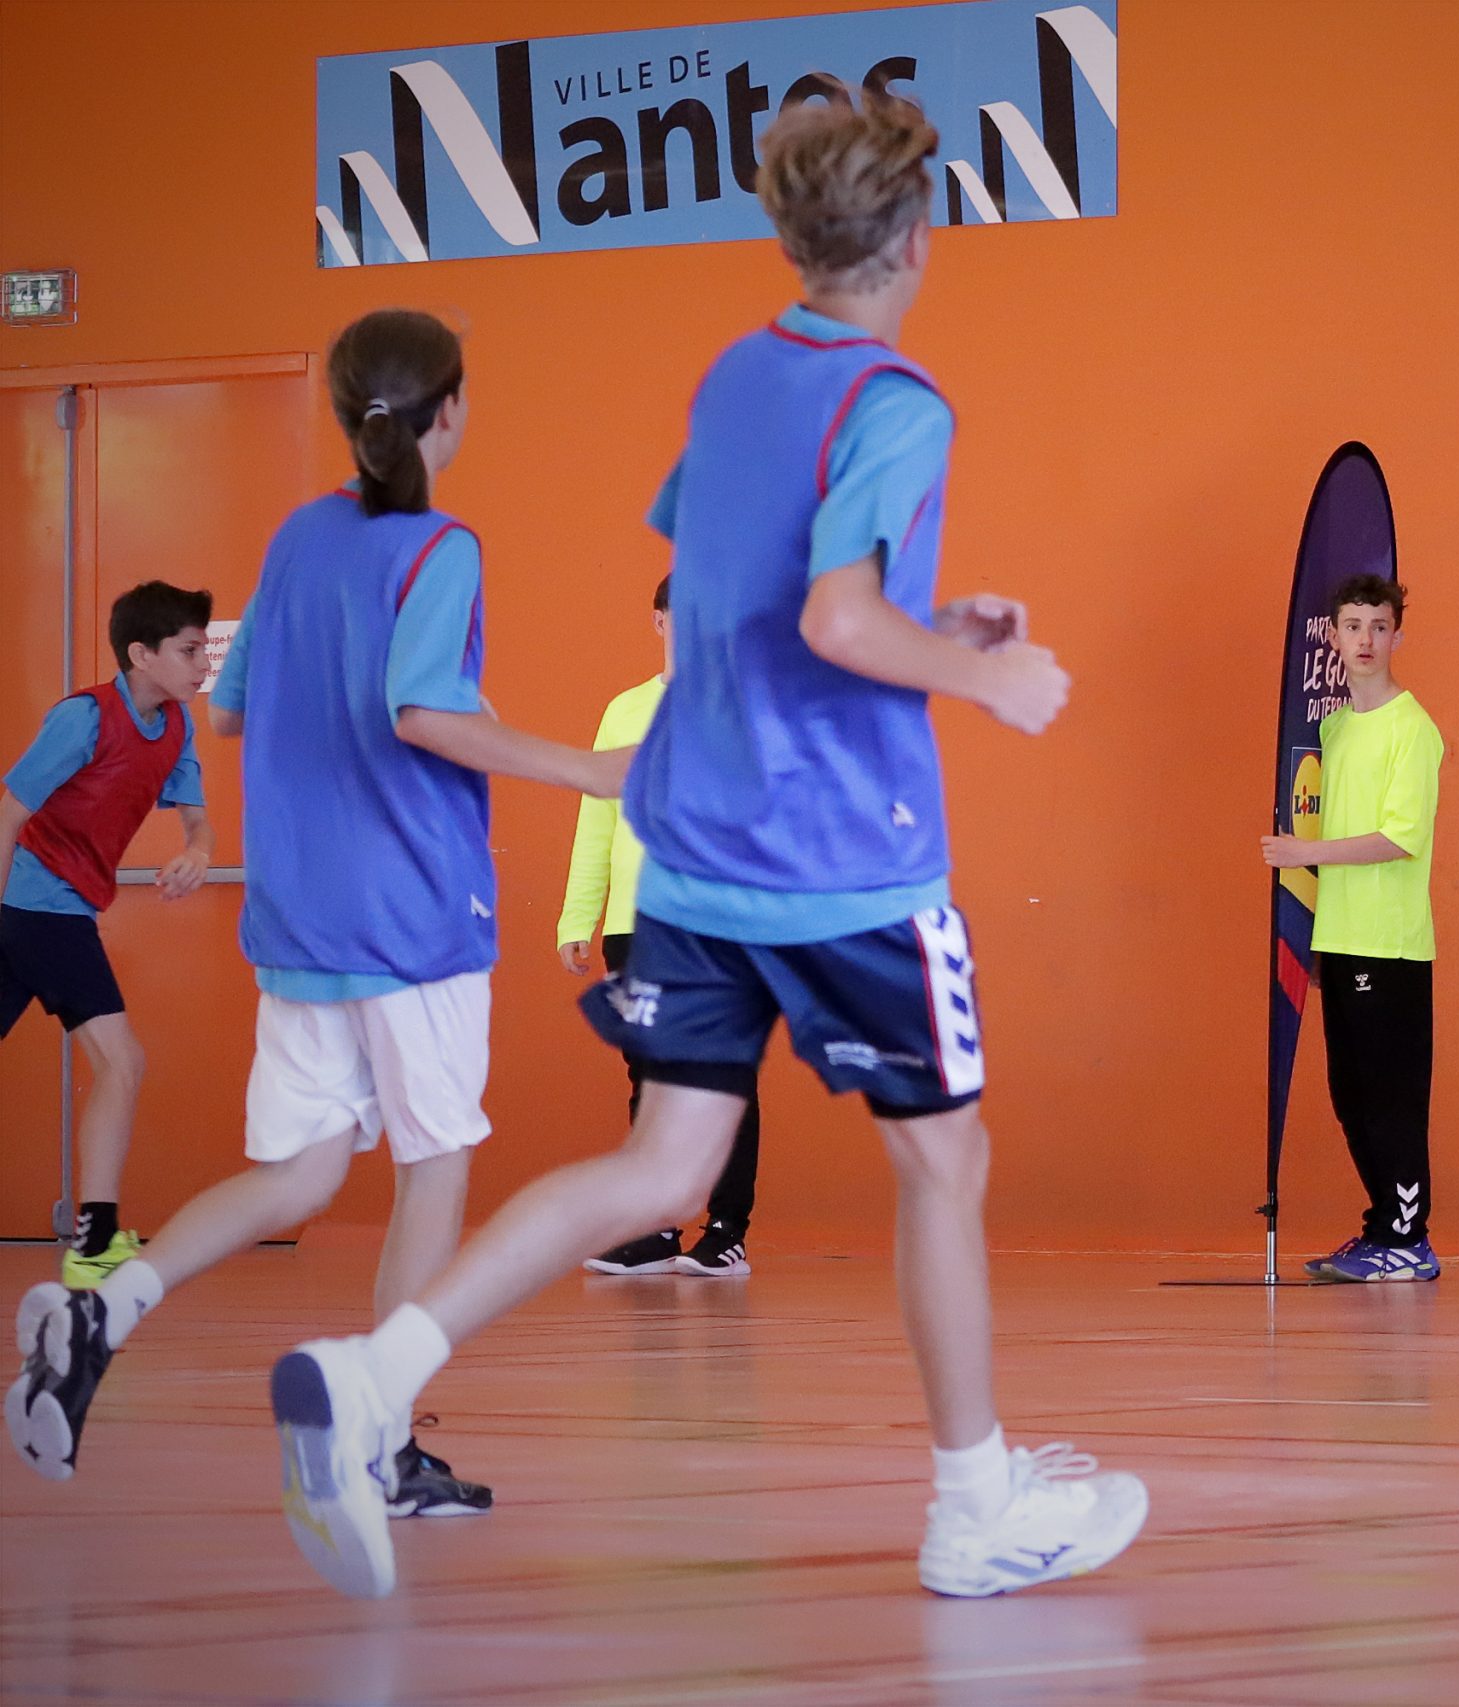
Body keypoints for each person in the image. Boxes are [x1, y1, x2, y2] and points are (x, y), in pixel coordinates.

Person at [259, 86, 1146, 1603]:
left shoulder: (740, 374)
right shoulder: (899, 402)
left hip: (690, 841)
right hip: (843, 860)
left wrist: (934, 620)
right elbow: (834, 620)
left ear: (792, 233)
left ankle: (374, 1373)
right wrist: (976, 671)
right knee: (945, 1160)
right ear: (916, 238)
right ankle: (974, 1502)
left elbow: (746, 592)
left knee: (663, 1158)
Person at [7, 309, 629, 1522]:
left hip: (300, 915)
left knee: (298, 1174)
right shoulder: (441, 546)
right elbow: (420, 713)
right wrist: (588, 769)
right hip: (413, 912)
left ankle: (103, 1310)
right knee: (432, 1169)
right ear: (451, 410)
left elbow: (228, 708)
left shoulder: (298, 536)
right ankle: (379, 1446)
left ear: (351, 417)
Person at [0, 581, 216, 1287]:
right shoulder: (84, 718)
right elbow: (8, 812)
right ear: (141, 654)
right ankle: (94, 1242)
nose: (201, 664)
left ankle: (92, 1241)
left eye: (203, 650)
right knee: (123, 1062)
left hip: (53, 909)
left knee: (120, 1064)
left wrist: (197, 851)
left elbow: (196, 818)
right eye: (189, 650)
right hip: (38, 904)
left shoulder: (176, 725)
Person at [561, 574, 762, 1277]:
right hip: (634, 922)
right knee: (650, 1077)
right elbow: (595, 816)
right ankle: (655, 1227)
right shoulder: (623, 711)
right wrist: (578, 915)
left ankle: (727, 1229)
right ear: (658, 621)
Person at [1262, 573, 1447, 1282]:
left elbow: (1399, 837)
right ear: (1334, 637)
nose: (1366, 639)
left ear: (1397, 635)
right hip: (1337, 942)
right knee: (1351, 1095)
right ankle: (1382, 1230)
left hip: (1390, 946)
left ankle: (1410, 1239)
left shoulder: (1413, 729)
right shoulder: (1335, 729)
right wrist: (1315, 935)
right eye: (1353, 626)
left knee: (1392, 1098)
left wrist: (1303, 854)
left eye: (1379, 626)